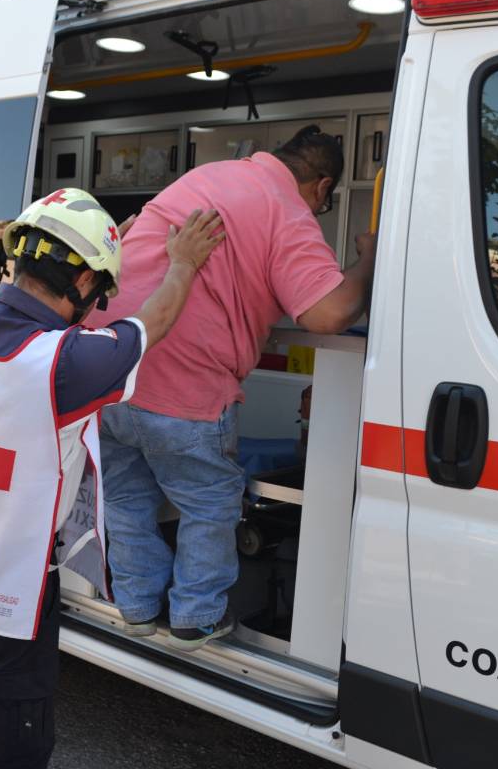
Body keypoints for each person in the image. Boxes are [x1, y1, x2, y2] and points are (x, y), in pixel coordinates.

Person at [0, 188, 223, 769]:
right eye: (97, 289)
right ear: (82, 282)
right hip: (8, 601)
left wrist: (99, 251)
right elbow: (154, 320)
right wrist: (183, 261)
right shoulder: (64, 361)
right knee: (8, 751)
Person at [85, 124, 377, 650]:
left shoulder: (207, 176)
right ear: (321, 186)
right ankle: (196, 615)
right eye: (324, 203)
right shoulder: (285, 208)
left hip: (110, 370)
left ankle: (137, 604)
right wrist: (368, 260)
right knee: (210, 500)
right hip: (185, 388)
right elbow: (329, 313)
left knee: (126, 496)